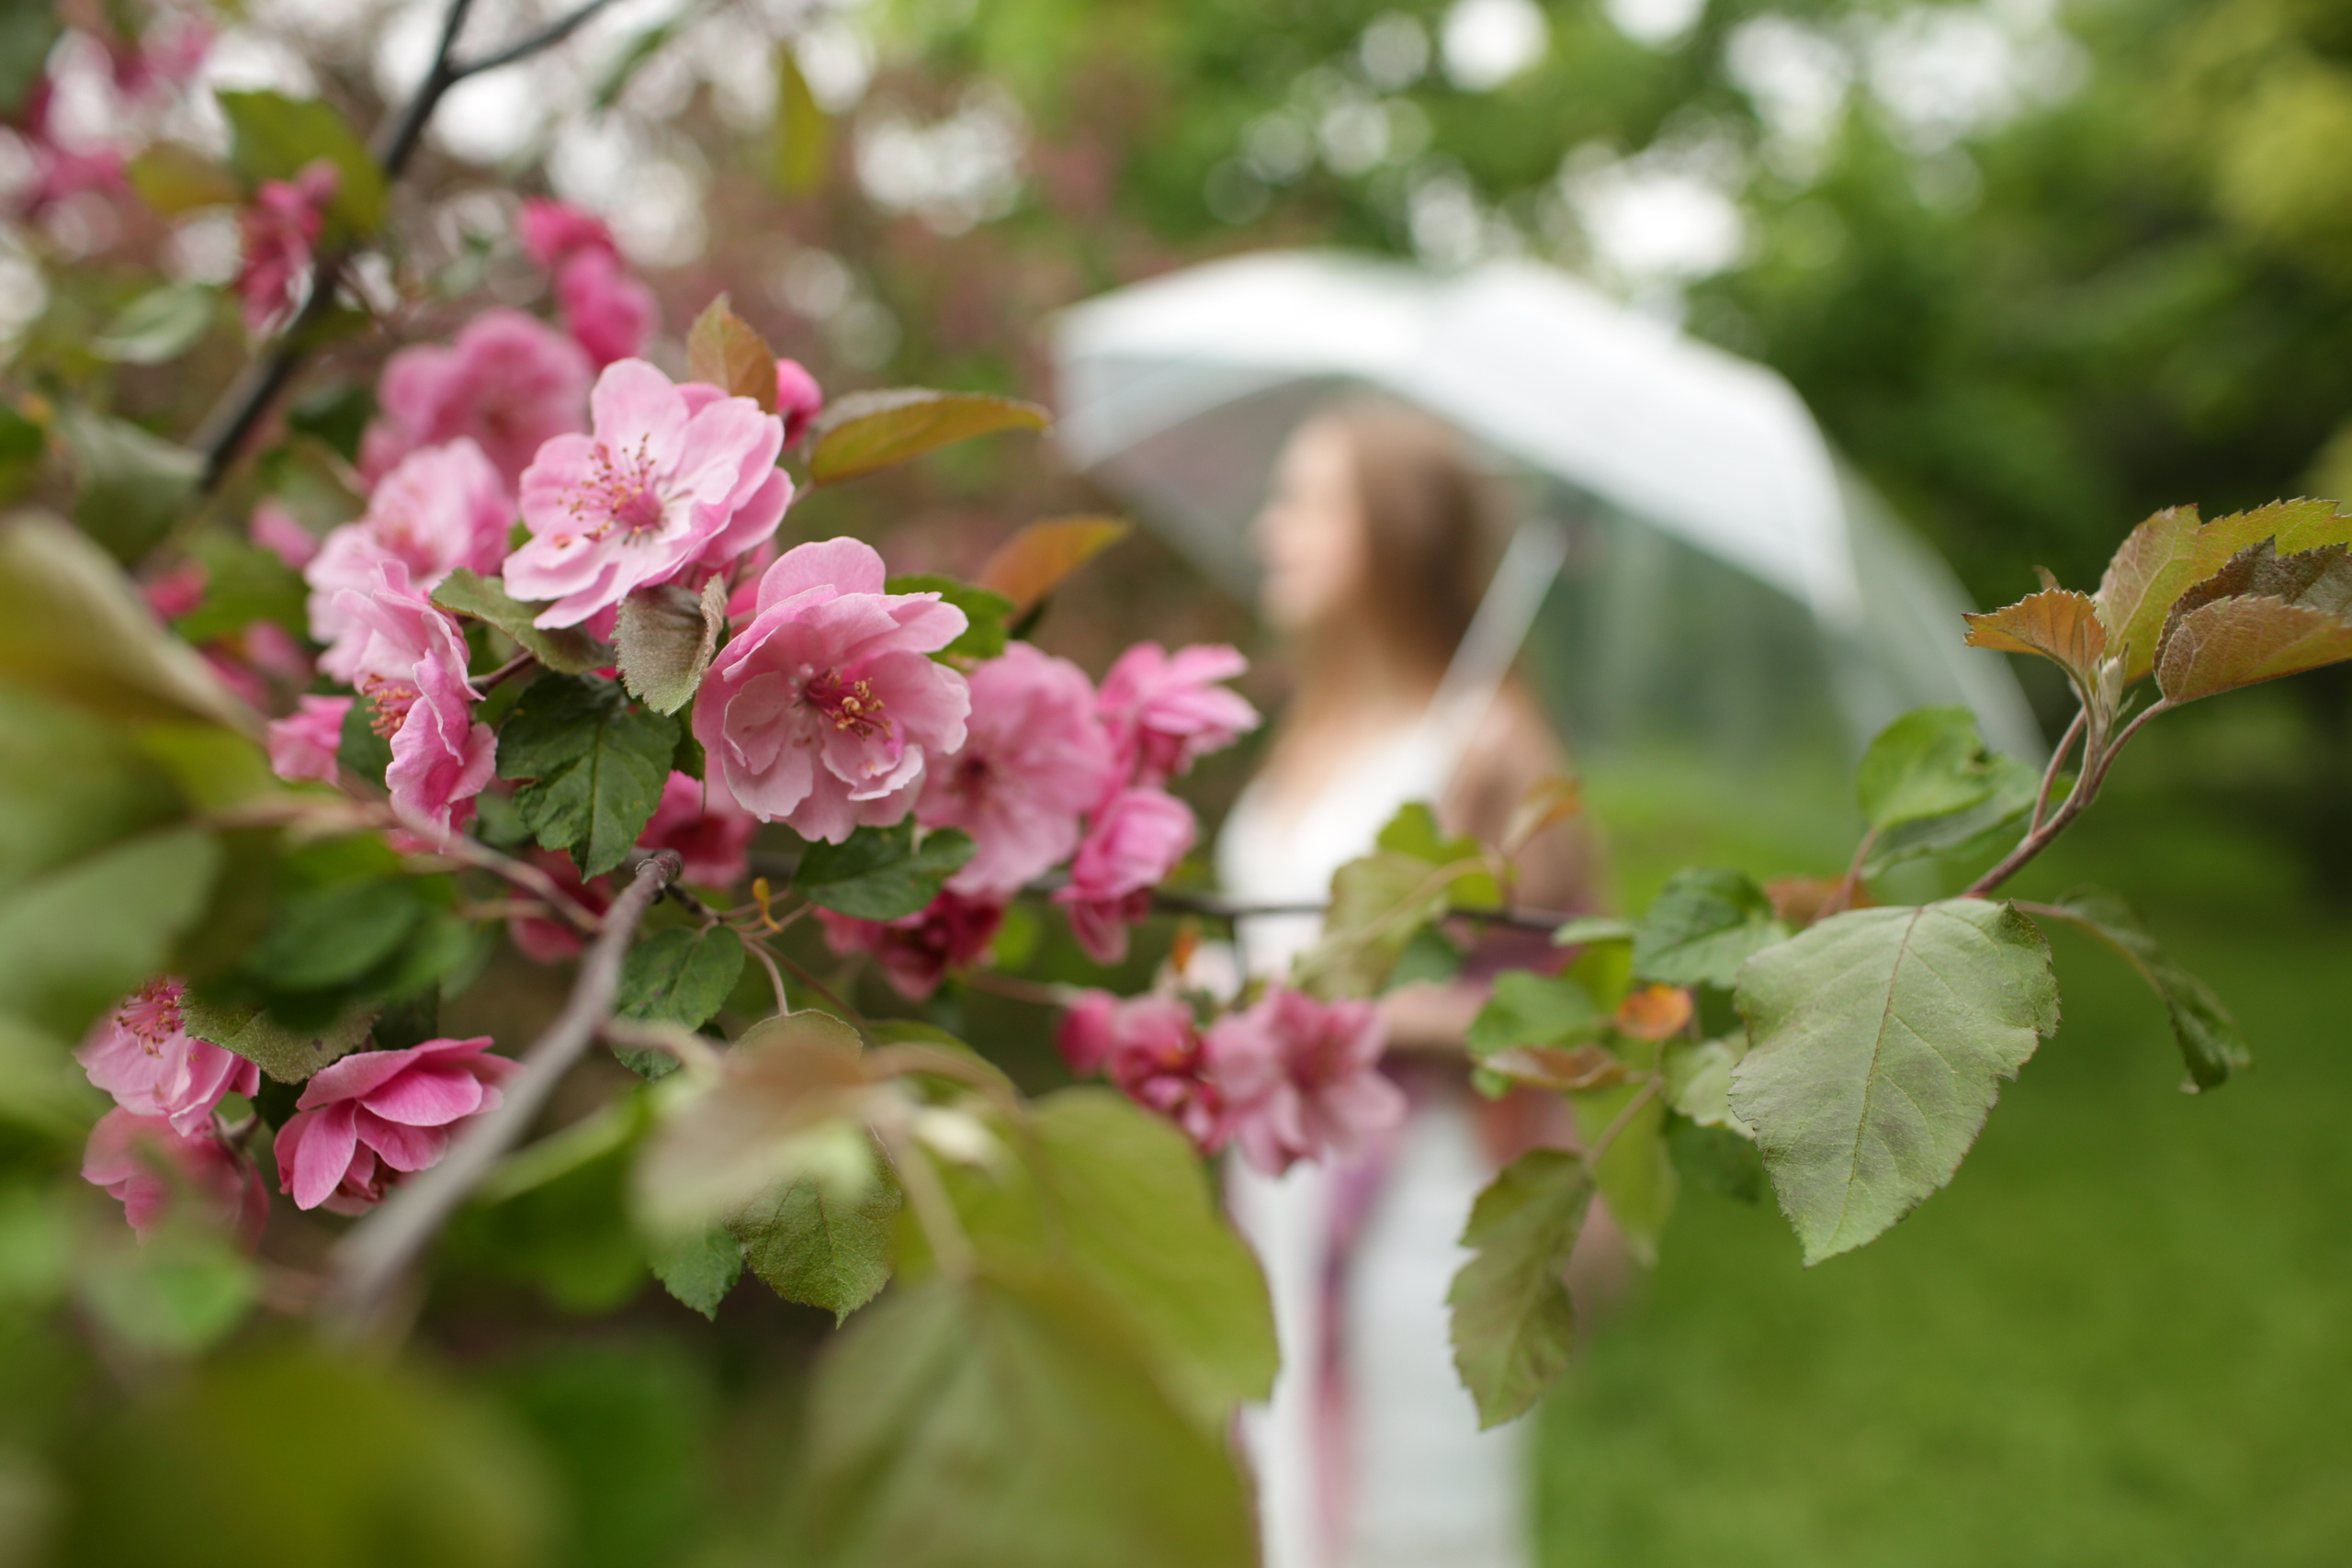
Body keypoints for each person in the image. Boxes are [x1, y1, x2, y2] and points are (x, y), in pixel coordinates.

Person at [1215, 398, 1603, 1568]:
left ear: (1395, 534)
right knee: (1286, 1509)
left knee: (1408, 1522)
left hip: (1415, 1205)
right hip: (1272, 1188)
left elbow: (1556, 1015)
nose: (1268, 530)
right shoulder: (1312, 728)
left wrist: (1375, 1016)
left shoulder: (1491, 747)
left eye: (1306, 502)